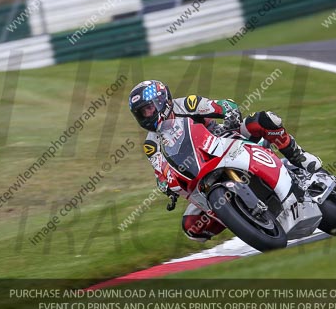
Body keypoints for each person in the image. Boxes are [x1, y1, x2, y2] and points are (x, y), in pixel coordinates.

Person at [128, 79, 322, 242]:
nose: (146, 116)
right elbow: (160, 170)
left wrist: (229, 114)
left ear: (162, 100)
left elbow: (225, 105)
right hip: (200, 170)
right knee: (192, 226)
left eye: (148, 108)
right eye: (141, 113)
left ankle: (299, 157)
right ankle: (242, 218)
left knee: (265, 119)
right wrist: (165, 185)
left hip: (225, 140)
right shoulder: (151, 145)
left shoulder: (188, 104)